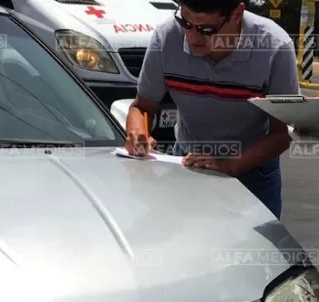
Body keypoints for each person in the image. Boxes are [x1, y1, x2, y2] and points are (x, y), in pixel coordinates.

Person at [125, 0, 298, 217]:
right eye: (185, 23)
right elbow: (141, 106)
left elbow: (281, 134)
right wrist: (137, 131)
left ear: (237, 14)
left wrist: (228, 166)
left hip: (252, 172)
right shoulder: (166, 38)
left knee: (251, 249)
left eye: (206, 30)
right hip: (188, 164)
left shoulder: (274, 46)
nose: (192, 38)